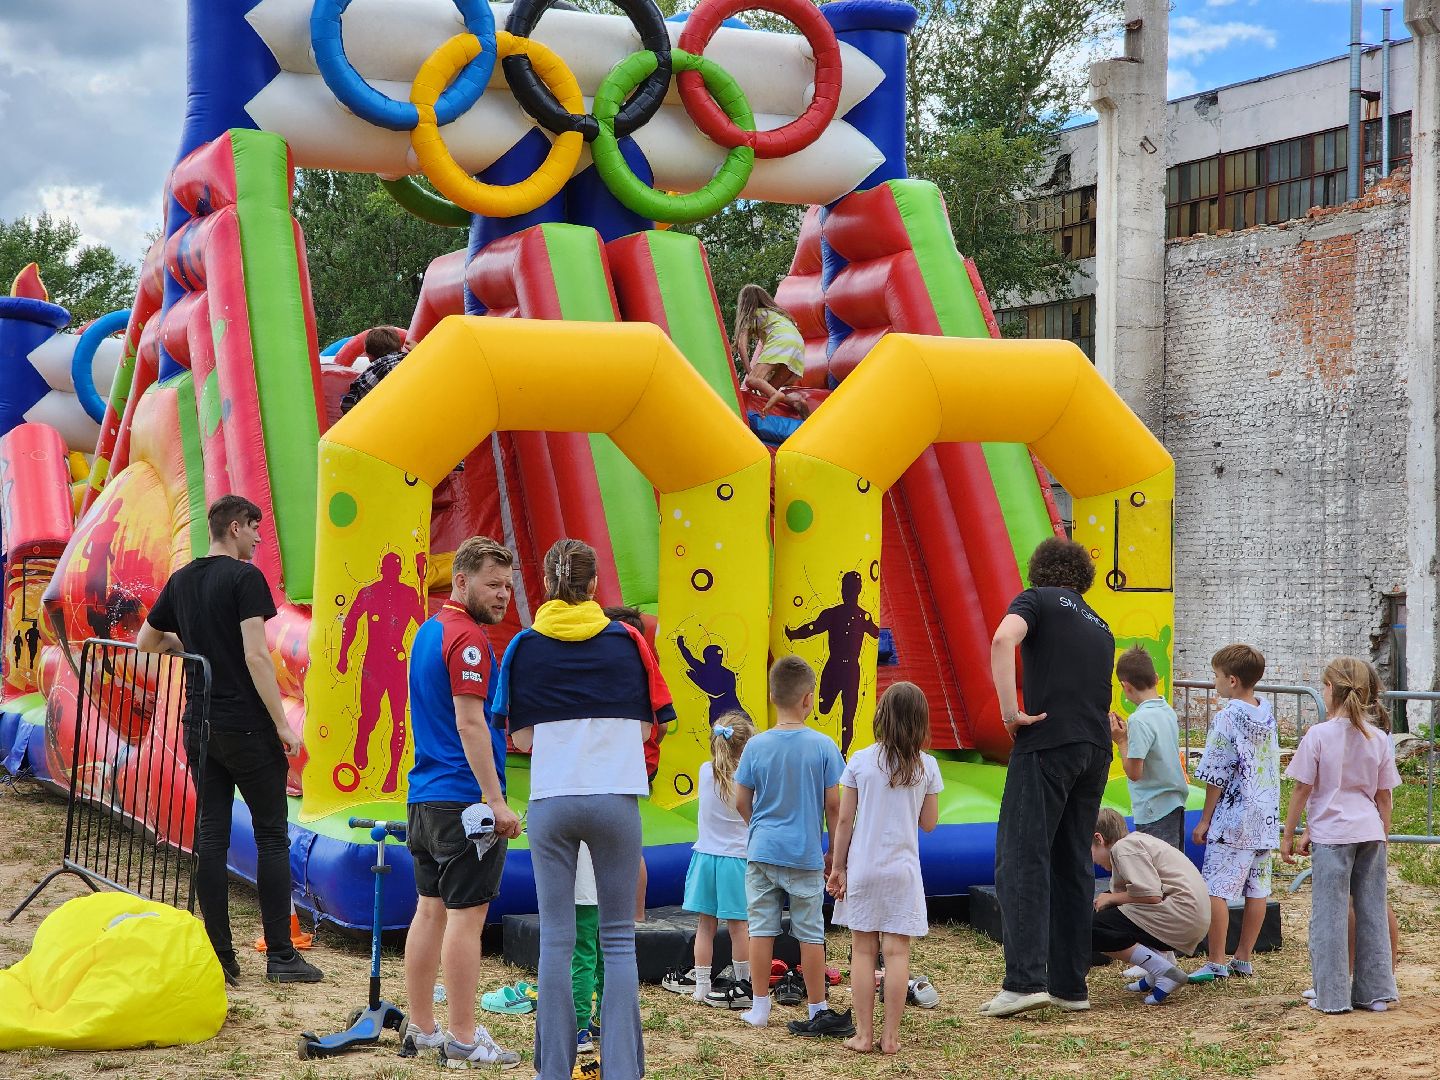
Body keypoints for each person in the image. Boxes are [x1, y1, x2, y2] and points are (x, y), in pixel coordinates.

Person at [494, 538, 675, 1080]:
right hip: (615, 797)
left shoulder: (524, 646)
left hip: (553, 800)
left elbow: (519, 737)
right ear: (595, 585)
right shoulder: (629, 641)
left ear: (546, 584)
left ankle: (552, 1070)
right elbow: (654, 724)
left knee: (556, 939)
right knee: (618, 940)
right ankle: (622, 1069)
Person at [137, 495, 322, 985]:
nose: (260, 539)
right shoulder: (245, 579)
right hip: (246, 725)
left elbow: (146, 644)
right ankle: (281, 957)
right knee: (271, 839)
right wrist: (283, 724)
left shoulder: (182, 579)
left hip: (199, 723)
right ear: (236, 527)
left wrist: (190, 646)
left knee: (211, 838)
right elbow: (257, 657)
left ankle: (221, 958)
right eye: (256, 529)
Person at [399, 536, 523, 1068]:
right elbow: (469, 721)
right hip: (463, 802)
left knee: (429, 912)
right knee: (465, 921)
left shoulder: (428, 631)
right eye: (493, 585)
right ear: (463, 581)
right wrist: (496, 801)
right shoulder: (468, 639)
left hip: (425, 797)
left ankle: (423, 1027)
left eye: (509, 586)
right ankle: (465, 1037)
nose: (503, 596)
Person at [983, 537, 1115, 1018]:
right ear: (1081, 578)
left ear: (1039, 570)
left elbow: (1002, 639)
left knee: (1021, 856)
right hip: (1094, 749)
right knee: (1072, 861)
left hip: (1046, 743)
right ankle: (1070, 985)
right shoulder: (1101, 625)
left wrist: (1008, 712)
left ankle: (1023, 982)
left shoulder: (1035, 600)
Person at [733, 656, 850, 1037]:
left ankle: (760, 1006)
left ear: (771, 696)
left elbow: (740, 800)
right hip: (804, 853)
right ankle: (818, 1006)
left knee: (761, 930)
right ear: (809, 700)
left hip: (764, 851)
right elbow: (834, 805)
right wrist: (834, 851)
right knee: (810, 933)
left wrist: (759, 828)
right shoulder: (823, 746)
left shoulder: (755, 746)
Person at [827, 682, 943, 1055]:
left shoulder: (860, 760)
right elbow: (928, 824)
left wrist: (837, 867)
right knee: (897, 955)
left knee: (862, 952)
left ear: (882, 717)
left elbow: (844, 821)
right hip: (903, 871)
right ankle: (890, 1038)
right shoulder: (928, 766)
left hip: (863, 867)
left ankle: (862, 1035)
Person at [1280, 657, 1400, 1014]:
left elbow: (1303, 789)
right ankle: (1376, 992)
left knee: (1329, 915)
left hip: (1333, 834)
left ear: (1330, 689)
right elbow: (1384, 797)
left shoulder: (1318, 735)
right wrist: (1384, 834)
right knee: (1371, 910)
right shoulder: (1379, 737)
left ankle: (1331, 995)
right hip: (1370, 832)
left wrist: (1289, 834)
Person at [1188, 644, 1280, 982]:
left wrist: (1204, 818)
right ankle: (1242, 958)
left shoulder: (1227, 717)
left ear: (1231, 680)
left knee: (1216, 889)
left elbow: (1216, 772)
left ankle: (1215, 961)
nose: (1214, 682)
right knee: (1257, 888)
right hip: (1264, 815)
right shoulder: (1266, 714)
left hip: (1232, 818)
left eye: (1215, 676)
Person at [1089, 808, 1209, 1006]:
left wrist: (1112, 899)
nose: (1092, 859)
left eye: (1090, 850)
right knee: (1109, 915)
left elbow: (1151, 895)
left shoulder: (1124, 848)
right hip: (1190, 916)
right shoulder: (1136, 842)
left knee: (1089, 928)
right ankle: (1159, 970)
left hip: (1181, 917)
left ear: (1099, 838)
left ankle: (1163, 971)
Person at [679, 711, 755, 1008]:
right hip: (735, 860)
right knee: (740, 927)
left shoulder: (703, 771)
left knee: (705, 926)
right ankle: (743, 983)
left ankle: (700, 986)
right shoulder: (747, 779)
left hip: (705, 858)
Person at [604, 604, 664, 921]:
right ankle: (635, 915)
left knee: (626, 845)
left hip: (625, 766)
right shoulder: (646, 670)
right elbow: (664, 724)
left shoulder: (626, 675)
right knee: (626, 842)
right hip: (638, 764)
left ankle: (636, 914)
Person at [784, 570, 880, 756]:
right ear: (842, 589)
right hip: (833, 665)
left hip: (852, 669)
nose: (849, 592)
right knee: (823, 707)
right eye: (847, 588)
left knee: (849, 714)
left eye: (853, 588)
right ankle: (821, 736)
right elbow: (813, 627)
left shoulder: (863, 616)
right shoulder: (833, 614)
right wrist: (793, 634)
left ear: (858, 591)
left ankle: (844, 753)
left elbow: (876, 632)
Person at [1110, 645, 1189, 851]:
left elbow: (1135, 773)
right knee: (1172, 869)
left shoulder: (1139, 719)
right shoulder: (1166, 710)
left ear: (1125, 686)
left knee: (1155, 871)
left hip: (1153, 809)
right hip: (1174, 803)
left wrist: (1121, 741)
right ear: (1155, 678)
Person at [733, 284, 809, 418]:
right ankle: (796, 402)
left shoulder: (751, 315)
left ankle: (776, 394)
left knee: (752, 381)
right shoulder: (776, 315)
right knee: (765, 392)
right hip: (798, 345)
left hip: (781, 340)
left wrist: (750, 373)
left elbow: (741, 346)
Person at [571, 842, 603, 1054]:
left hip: (582, 892)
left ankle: (580, 1027)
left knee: (582, 956)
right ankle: (603, 1018)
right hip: (609, 893)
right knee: (606, 957)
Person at [339, 327, 408, 414]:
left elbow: (348, 405)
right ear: (400, 348)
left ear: (368, 354)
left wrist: (343, 399)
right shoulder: (410, 360)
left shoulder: (375, 371)